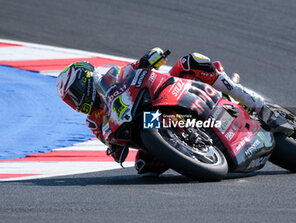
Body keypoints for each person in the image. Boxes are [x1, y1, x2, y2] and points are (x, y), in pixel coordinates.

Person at [56, 48, 265, 176]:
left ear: (85, 82)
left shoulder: (109, 77)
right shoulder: (93, 122)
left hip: (160, 96)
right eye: (70, 101)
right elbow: (112, 146)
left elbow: (131, 69)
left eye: (75, 95)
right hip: (146, 123)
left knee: (191, 61)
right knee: (145, 168)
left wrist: (149, 59)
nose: (75, 102)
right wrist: (114, 146)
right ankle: (196, 148)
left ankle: (247, 99)